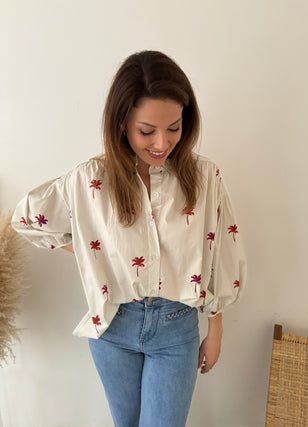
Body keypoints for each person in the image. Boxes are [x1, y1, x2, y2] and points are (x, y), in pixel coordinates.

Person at [11, 50, 246, 427]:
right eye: (146, 130)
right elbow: (25, 218)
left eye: (174, 126)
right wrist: (90, 253)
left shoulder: (204, 178)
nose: (162, 142)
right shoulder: (91, 180)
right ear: (122, 123)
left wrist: (215, 330)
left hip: (176, 329)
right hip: (112, 328)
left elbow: (220, 255)